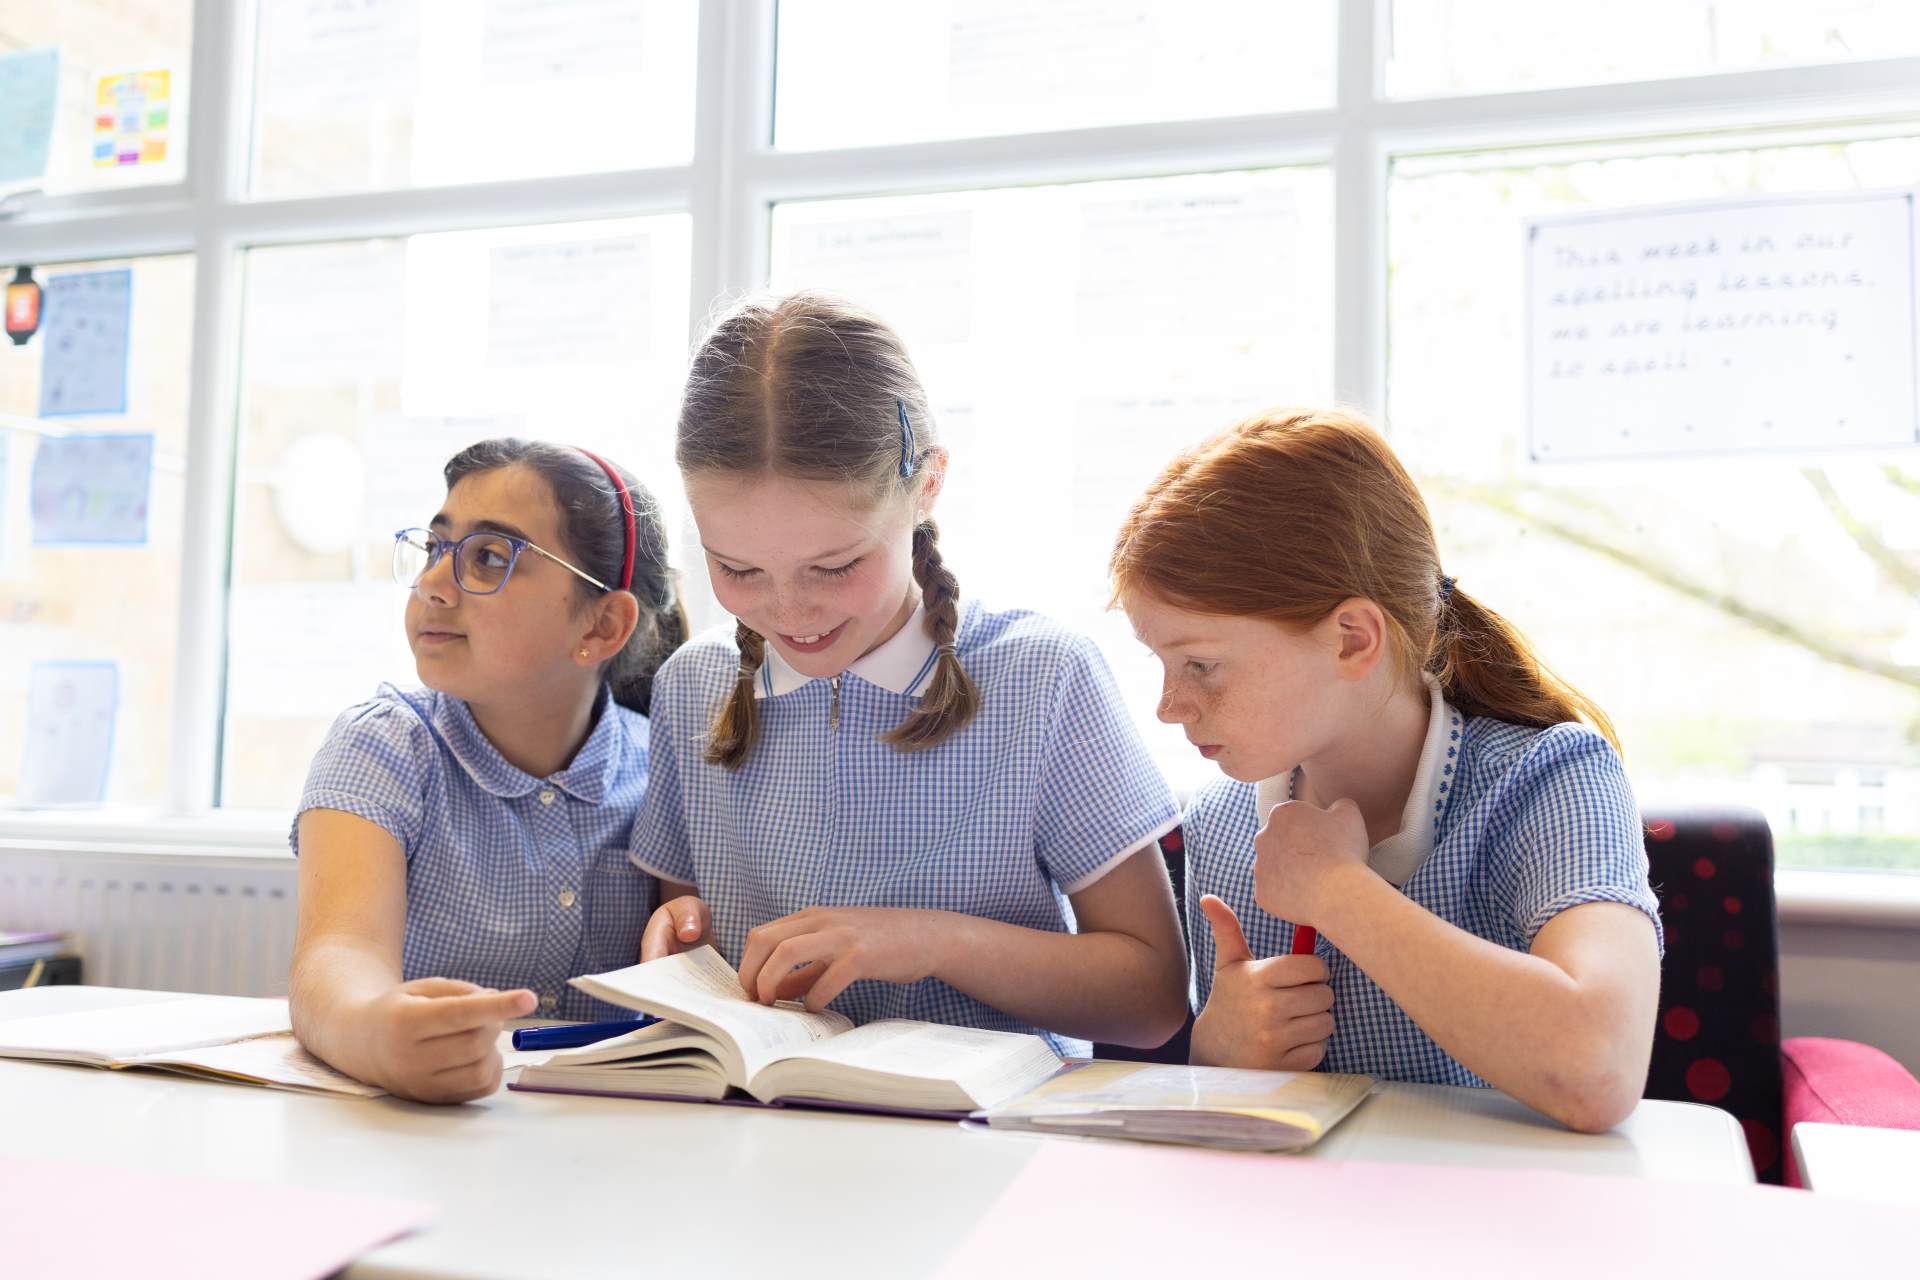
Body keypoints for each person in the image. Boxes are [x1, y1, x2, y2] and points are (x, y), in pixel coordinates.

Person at [631, 291, 1188, 1056]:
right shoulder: (692, 685)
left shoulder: (1042, 678)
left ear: (927, 484)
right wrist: (683, 940)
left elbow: (1153, 999)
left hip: (987, 1124)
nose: (789, 611)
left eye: (835, 566)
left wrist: (931, 942)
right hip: (760, 1116)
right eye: (738, 569)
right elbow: (689, 935)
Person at [1113, 406, 1661, 1131]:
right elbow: (1229, 1114)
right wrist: (1218, 1052)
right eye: (1162, 663)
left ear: (1352, 639)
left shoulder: (1552, 779)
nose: (1168, 708)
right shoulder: (1221, 822)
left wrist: (1337, 891)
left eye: (1201, 665)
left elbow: (1600, 1067)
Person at [289, 439, 684, 1103]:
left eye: (491, 558)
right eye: (435, 549)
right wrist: (374, 1031)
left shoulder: (663, 765)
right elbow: (335, 958)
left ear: (602, 626)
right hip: (424, 1130)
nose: (432, 584)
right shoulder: (382, 747)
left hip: (613, 1131)